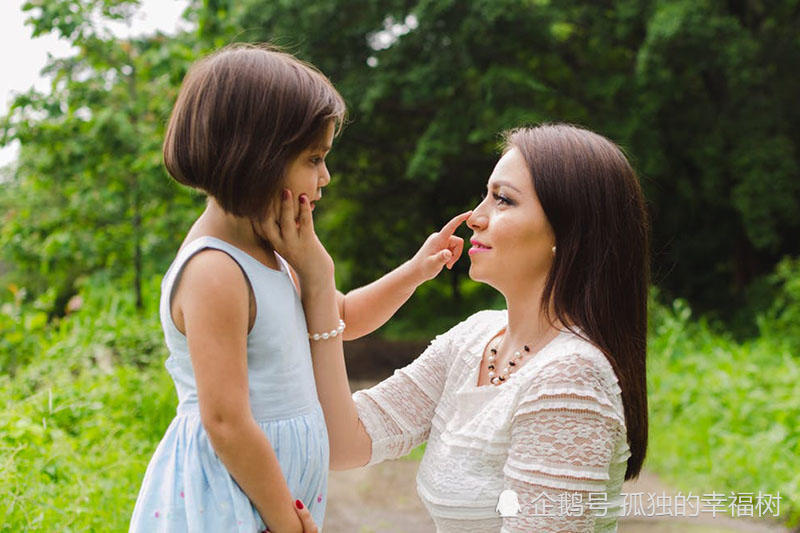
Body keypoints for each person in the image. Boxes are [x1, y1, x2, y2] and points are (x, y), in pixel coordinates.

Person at [129, 44, 470, 533]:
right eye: (314, 159)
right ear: (254, 156)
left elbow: (344, 317)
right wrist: (284, 520)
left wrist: (415, 270)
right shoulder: (216, 271)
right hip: (229, 499)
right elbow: (225, 421)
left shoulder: (276, 251)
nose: (325, 177)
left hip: (270, 498)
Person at [264, 123, 649, 532]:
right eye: (486, 196)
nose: (475, 218)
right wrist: (319, 283)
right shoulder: (474, 339)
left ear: (568, 232)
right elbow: (344, 442)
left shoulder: (570, 379)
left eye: (502, 200)